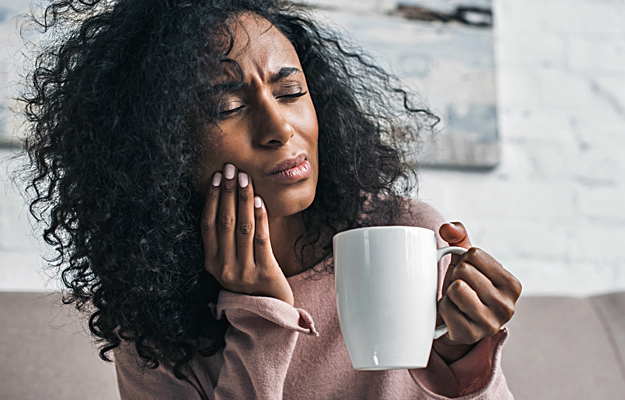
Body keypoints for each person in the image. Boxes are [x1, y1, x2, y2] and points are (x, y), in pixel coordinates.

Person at [20, 0, 522, 398]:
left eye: (290, 93)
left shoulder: (408, 231)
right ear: (159, 147)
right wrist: (259, 317)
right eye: (228, 106)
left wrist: (461, 356)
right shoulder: (150, 316)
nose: (280, 129)